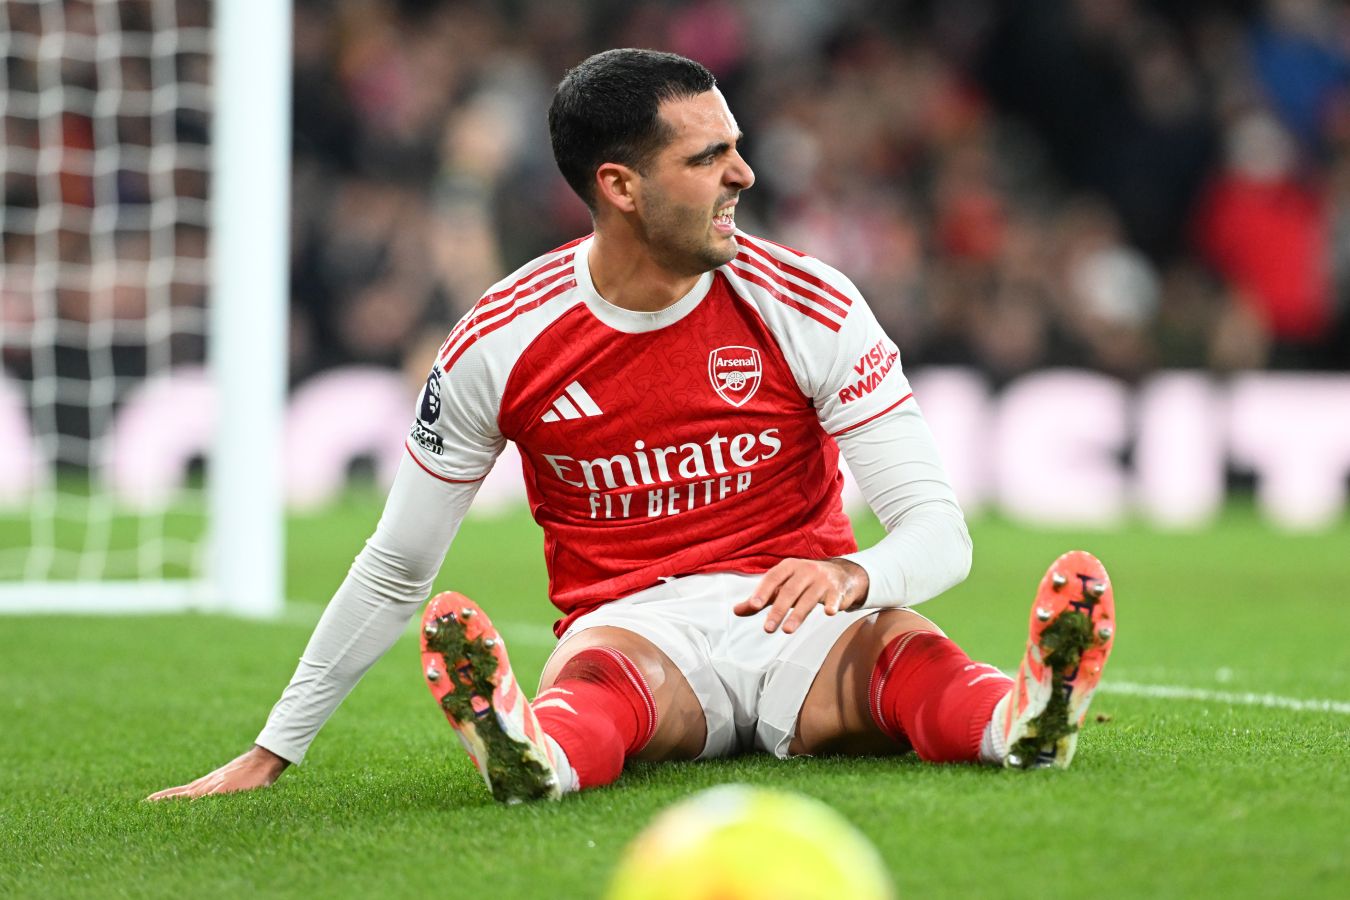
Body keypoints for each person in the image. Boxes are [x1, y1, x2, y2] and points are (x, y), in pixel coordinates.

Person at [148, 49, 1115, 804]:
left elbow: (940, 533)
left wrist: (852, 575)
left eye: (735, 145)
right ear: (620, 186)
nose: (744, 174)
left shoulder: (809, 303)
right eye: (707, 158)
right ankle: (534, 755)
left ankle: (1018, 720)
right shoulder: (500, 341)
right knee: (601, 688)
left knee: (906, 650)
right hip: (637, 629)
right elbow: (399, 565)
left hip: (806, 618)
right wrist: (275, 747)